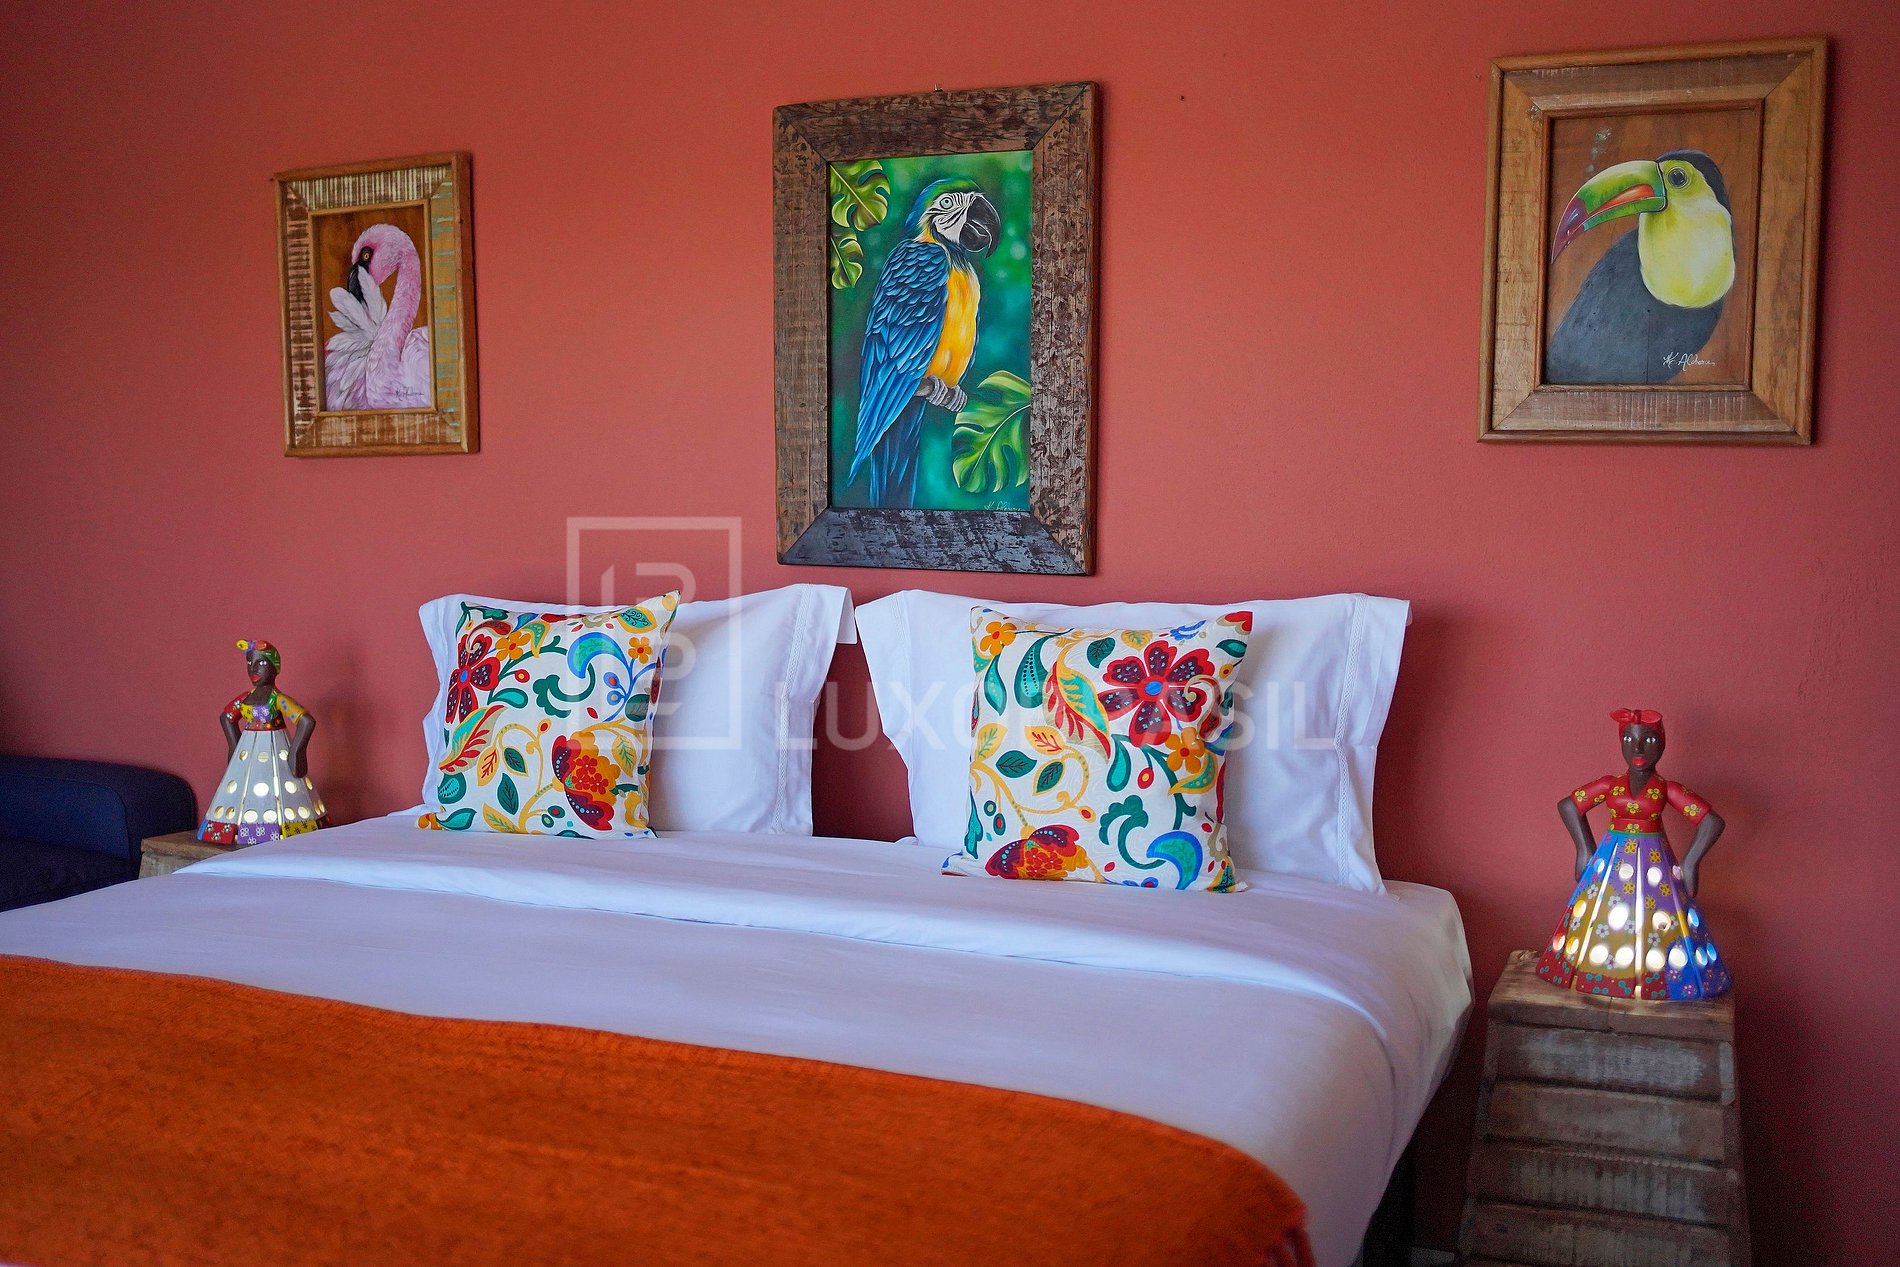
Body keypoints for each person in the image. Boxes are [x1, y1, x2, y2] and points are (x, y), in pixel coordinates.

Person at [1534, 708, 1730, 1000]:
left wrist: (1690, 864)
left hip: (1655, 867)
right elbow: (1569, 805)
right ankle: (1611, 975)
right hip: (1611, 863)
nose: (1637, 748)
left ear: (1662, 744)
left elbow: (1711, 822)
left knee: (1658, 922)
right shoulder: (1610, 784)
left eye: (1648, 740)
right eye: (1628, 739)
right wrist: (1584, 849)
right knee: (1610, 917)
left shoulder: (1666, 789)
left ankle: (1657, 978)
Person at [197, 639, 329, 845]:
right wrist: (234, 747)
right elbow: (226, 717)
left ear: (275, 668)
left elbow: (306, 721)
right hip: (248, 753)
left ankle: (279, 830)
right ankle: (241, 831)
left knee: (277, 792)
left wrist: (296, 752)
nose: (253, 668)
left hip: (276, 750)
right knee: (249, 794)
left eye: (262, 663)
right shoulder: (245, 698)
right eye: (250, 663)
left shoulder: (277, 699)